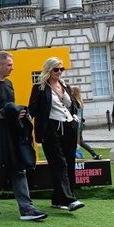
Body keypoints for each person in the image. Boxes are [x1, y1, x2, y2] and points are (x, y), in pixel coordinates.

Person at [0, 51, 47, 221]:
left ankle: (27, 209)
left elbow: (9, 108)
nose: (12, 68)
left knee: (18, 167)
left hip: (11, 133)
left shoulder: (8, 83)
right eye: (9, 65)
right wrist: (3, 114)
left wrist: (18, 114)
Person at [28, 58, 85, 212]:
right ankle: (68, 200)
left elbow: (71, 105)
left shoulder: (65, 86)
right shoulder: (39, 88)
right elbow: (32, 110)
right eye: (56, 69)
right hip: (51, 128)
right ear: (48, 70)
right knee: (59, 164)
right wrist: (24, 121)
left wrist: (74, 117)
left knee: (69, 162)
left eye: (61, 69)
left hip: (69, 127)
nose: (59, 72)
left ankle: (59, 199)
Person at [71, 86, 101, 160]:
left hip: (76, 124)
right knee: (79, 142)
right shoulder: (80, 102)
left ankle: (83, 155)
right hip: (80, 124)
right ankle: (93, 154)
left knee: (76, 142)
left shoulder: (74, 102)